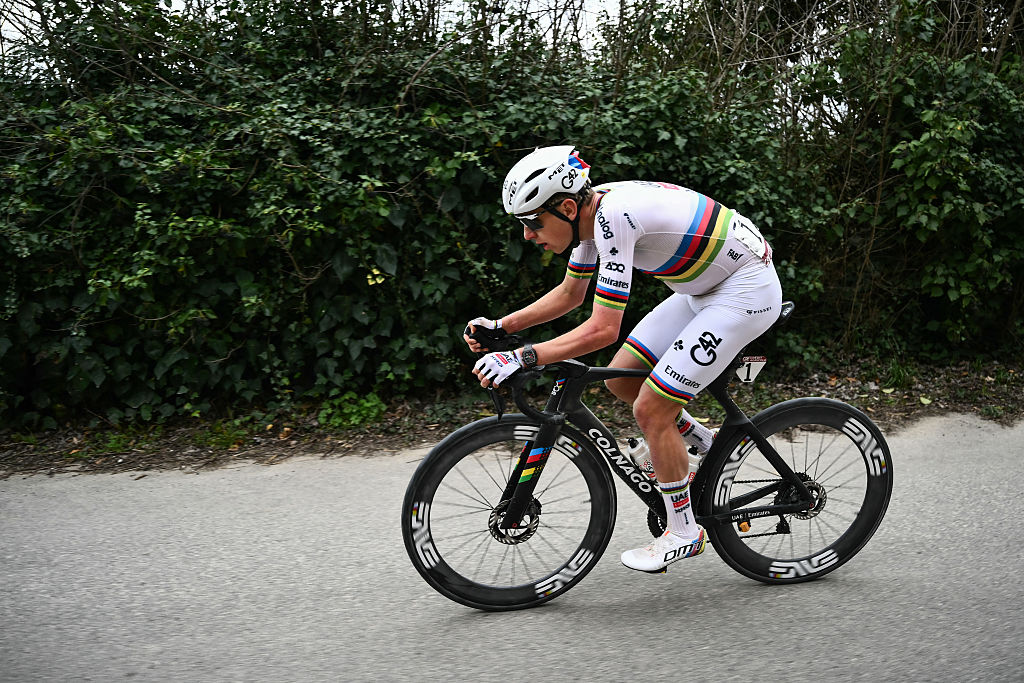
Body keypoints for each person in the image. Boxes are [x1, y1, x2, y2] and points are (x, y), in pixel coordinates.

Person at [464, 145, 782, 573]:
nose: (528, 234)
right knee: (623, 379)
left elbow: (601, 329)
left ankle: (684, 531)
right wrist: (502, 327)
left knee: (652, 408)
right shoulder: (591, 216)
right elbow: (571, 294)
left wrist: (522, 357)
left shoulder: (613, 218)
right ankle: (705, 446)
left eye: (533, 222)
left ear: (567, 205)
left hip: (744, 290)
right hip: (703, 289)